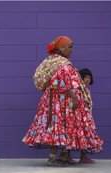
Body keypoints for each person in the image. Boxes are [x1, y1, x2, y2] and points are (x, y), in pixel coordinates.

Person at [22, 36, 103, 166]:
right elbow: (63, 83)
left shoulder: (52, 61)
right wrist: (74, 98)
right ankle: (52, 159)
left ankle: (65, 156)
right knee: (57, 126)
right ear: (62, 48)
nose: (71, 50)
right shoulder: (62, 65)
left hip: (56, 101)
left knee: (64, 127)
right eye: (70, 47)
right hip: (60, 103)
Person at [78, 68, 102, 163]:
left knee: (86, 135)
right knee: (77, 135)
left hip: (86, 117)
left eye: (89, 77)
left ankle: (83, 156)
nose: (87, 79)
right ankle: (67, 156)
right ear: (80, 77)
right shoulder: (78, 89)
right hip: (79, 116)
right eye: (85, 77)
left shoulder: (86, 90)